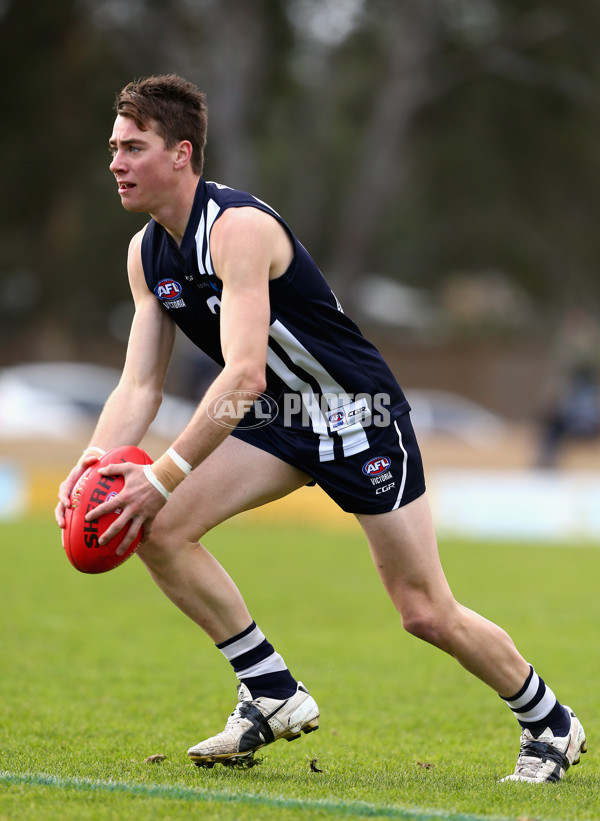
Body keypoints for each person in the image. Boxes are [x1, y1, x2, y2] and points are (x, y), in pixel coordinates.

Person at [55, 74, 585, 782]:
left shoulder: (238, 230)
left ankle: (550, 722)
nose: (116, 162)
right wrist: (93, 461)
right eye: (113, 147)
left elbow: (242, 375)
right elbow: (141, 384)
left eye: (133, 147)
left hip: (357, 413)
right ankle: (271, 691)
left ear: (182, 153)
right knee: (156, 527)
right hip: (280, 419)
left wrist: (161, 473)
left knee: (424, 610)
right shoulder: (145, 254)